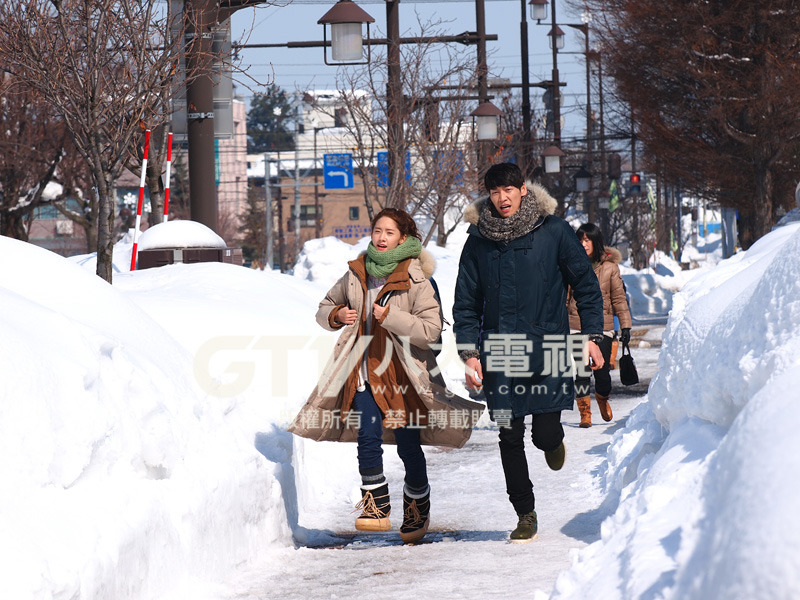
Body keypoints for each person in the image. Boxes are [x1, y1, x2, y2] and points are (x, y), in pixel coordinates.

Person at [289, 208, 481, 544]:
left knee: (409, 447)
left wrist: (391, 316)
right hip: (364, 372)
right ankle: (376, 505)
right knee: (368, 435)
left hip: (403, 378)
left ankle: (417, 503)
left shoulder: (418, 279)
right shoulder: (356, 273)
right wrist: (336, 314)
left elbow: (432, 332)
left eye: (389, 232)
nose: (380, 238)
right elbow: (324, 307)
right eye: (377, 231)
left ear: (404, 238)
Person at [453, 163, 605, 544]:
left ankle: (552, 441)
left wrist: (591, 336)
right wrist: (470, 351)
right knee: (508, 434)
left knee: (543, 434)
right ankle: (525, 512)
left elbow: (585, 284)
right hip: (501, 351)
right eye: (494, 191)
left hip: (549, 345)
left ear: (523, 189)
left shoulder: (553, 231)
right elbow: (466, 301)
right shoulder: (478, 240)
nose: (502, 198)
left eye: (509, 189)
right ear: (488, 195)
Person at [567, 223, 632, 427]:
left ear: (596, 242)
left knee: (602, 373)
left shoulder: (610, 268)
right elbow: (563, 297)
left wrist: (625, 326)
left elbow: (619, 299)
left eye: (587, 240)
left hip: (603, 327)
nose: (583, 244)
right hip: (576, 325)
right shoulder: (570, 265)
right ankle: (584, 413)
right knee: (581, 370)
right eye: (580, 240)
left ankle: (602, 398)